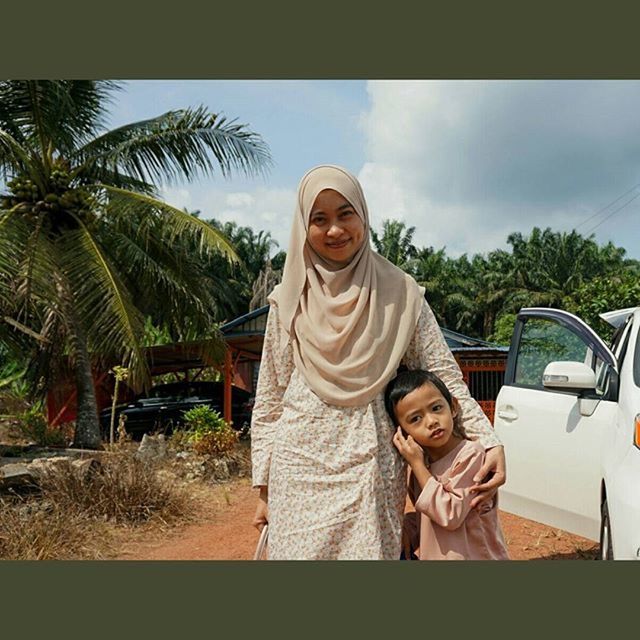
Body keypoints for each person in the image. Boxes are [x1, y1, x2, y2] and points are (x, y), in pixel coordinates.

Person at [250, 164, 506, 560]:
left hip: (371, 469)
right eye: (319, 219)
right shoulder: (288, 300)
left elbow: (444, 378)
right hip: (298, 472)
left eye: (345, 214)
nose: (334, 230)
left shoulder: (401, 294)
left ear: (363, 216)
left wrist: (488, 441)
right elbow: (269, 400)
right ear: (304, 227)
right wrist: (265, 489)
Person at [385, 369, 509, 560]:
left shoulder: (470, 454)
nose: (431, 421)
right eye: (415, 419)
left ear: (453, 407)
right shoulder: (423, 467)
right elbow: (427, 518)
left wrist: (417, 466)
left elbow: (450, 513)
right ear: (402, 433)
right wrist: (406, 530)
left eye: (436, 408)